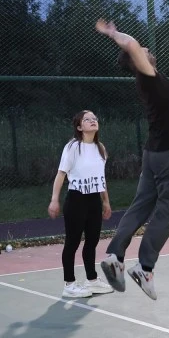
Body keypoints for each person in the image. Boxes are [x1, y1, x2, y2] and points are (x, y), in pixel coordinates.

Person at [94, 19, 169, 300]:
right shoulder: (146, 74)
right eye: (143, 50)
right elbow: (132, 44)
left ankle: (115, 255)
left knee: (141, 206)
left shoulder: (151, 80)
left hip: (154, 154)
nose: (147, 50)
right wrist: (114, 34)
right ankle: (145, 267)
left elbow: (165, 98)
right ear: (137, 60)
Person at [47, 110, 114, 298]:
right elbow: (61, 174)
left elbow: (101, 178)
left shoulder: (100, 148)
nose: (93, 121)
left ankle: (91, 280)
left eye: (95, 118)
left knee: (92, 242)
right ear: (79, 127)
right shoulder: (72, 147)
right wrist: (54, 199)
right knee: (72, 242)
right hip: (76, 200)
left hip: (94, 201)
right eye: (87, 119)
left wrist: (106, 202)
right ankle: (69, 284)